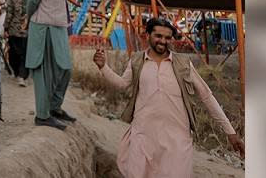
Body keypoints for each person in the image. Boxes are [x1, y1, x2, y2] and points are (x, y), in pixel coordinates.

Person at [93, 17, 244, 178]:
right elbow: (122, 84)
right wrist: (103, 67)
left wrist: (230, 132)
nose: (162, 41)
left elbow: (206, 96)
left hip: (177, 140)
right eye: (158, 36)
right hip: (143, 136)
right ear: (148, 35)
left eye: (167, 38)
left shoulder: (183, 63)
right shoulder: (137, 60)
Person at [25, 0, 78, 130]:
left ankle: (54, 108)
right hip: (43, 25)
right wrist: (27, 17)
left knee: (65, 68)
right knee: (44, 72)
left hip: (57, 26)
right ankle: (42, 115)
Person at [4, 0, 31, 87]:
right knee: (25, 54)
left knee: (13, 53)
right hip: (28, 31)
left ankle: (17, 73)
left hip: (14, 30)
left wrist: (5, 28)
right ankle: (22, 76)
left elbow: (9, 14)